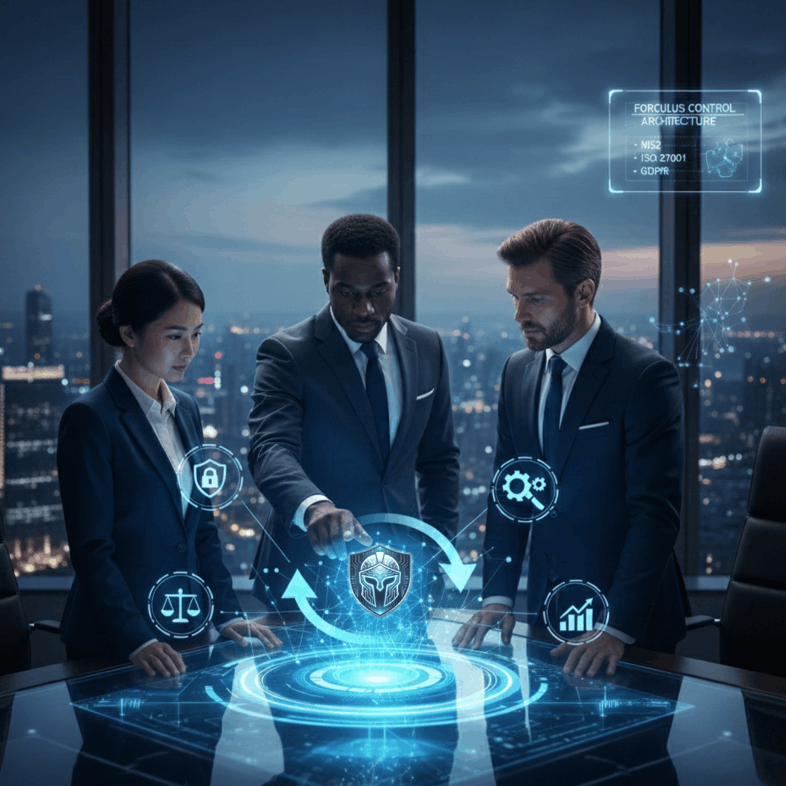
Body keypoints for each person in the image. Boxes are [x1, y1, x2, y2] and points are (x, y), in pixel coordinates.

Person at [453, 219, 686, 676]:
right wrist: (497, 595)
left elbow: (654, 513)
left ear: (583, 292)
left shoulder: (644, 377)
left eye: (536, 298)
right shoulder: (517, 372)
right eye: (515, 297)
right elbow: (510, 495)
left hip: (629, 631)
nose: (519, 314)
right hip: (547, 614)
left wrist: (616, 627)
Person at [58, 260, 282, 677]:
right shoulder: (90, 418)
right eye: (174, 336)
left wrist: (227, 615)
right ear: (129, 334)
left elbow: (201, 529)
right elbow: (92, 550)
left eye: (196, 335)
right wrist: (136, 638)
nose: (189, 351)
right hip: (116, 645)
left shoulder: (187, 411)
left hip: (187, 632)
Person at [247, 214, 460, 614]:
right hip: (310, 580)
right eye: (347, 293)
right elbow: (270, 447)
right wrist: (314, 506)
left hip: (404, 577)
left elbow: (440, 461)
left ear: (396, 277)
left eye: (378, 291)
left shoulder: (427, 346)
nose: (364, 308)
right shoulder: (287, 353)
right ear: (325, 279)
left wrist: (436, 553)